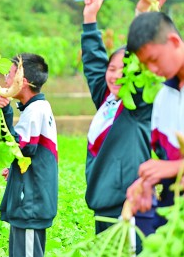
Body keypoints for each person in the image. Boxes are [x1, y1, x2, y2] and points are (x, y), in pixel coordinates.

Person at [81, 0, 163, 252]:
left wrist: (143, 16)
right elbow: (94, 64)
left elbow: (142, 68)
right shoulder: (108, 101)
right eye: (112, 69)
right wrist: (90, 17)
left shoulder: (136, 106)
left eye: (123, 69)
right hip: (100, 201)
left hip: (126, 202)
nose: (115, 75)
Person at [0, 53, 58, 257]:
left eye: (10, 74)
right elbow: (30, 154)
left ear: (22, 82)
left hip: (31, 202)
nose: (5, 79)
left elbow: (22, 148)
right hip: (30, 199)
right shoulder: (36, 108)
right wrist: (14, 170)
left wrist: (5, 112)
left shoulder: (35, 111)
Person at [126, 11, 184, 227]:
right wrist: (147, 181)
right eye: (145, 65)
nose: (153, 70)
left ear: (174, 41)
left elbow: (172, 166)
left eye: (154, 59)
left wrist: (175, 168)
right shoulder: (163, 97)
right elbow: (166, 159)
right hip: (172, 218)